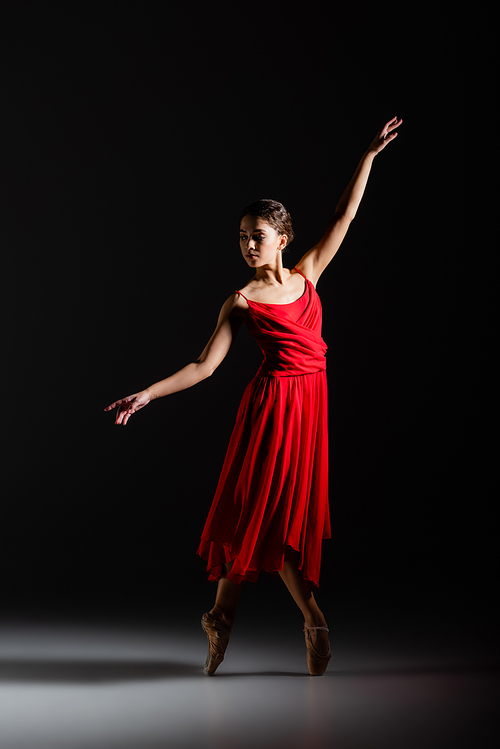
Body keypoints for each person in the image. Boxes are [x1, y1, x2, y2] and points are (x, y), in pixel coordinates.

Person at [105, 116, 402, 676]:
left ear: (283, 239)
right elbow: (203, 366)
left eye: (256, 235)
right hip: (270, 413)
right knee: (256, 516)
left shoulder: (309, 274)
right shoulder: (240, 302)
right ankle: (302, 619)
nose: (246, 244)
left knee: (283, 517)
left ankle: (229, 619)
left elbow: (345, 215)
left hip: (310, 409)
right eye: (241, 236)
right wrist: (147, 395)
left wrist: (367, 157)